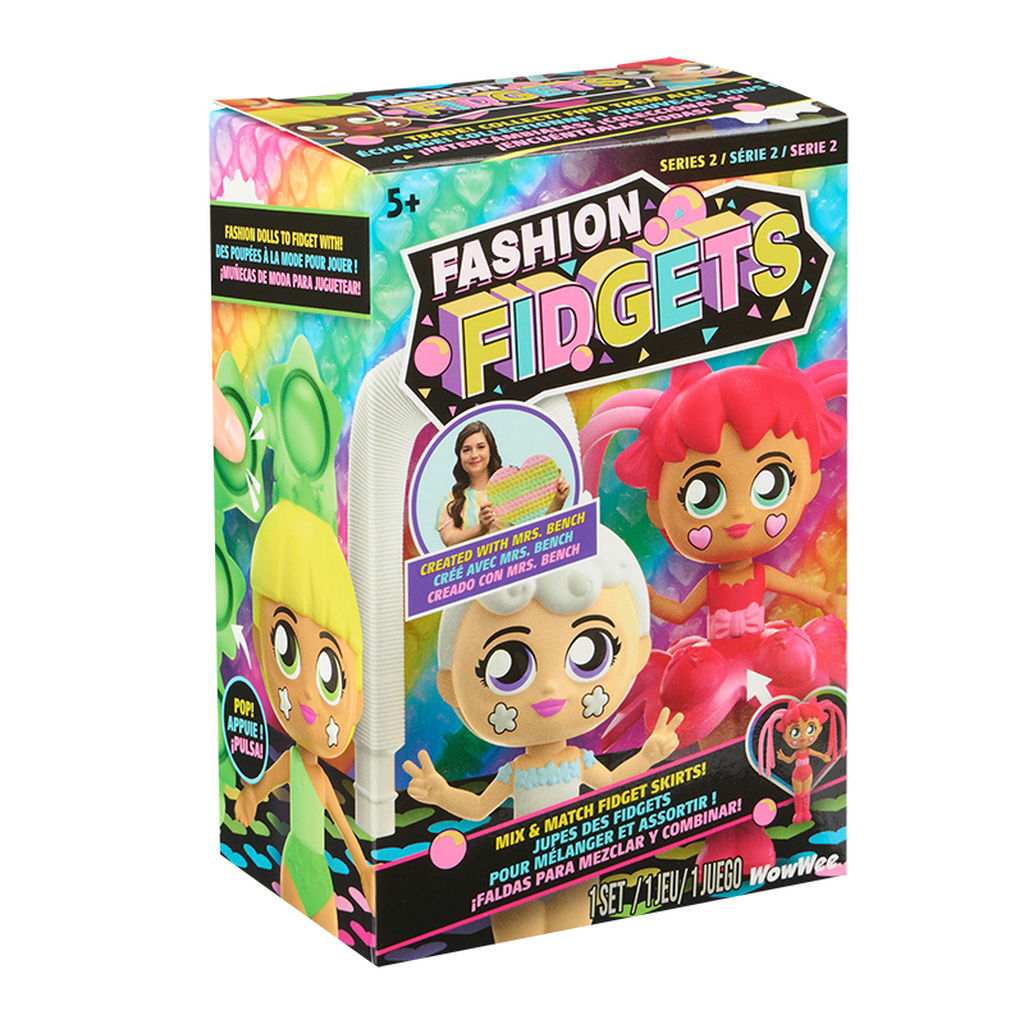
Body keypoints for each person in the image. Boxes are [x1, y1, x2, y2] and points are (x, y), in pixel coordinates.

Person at [405, 526, 682, 941]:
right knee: (518, 928)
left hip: (574, 856)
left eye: (590, 654)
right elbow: (479, 808)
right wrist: (441, 793)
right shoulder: (518, 772)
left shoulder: (576, 762)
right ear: (451, 686)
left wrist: (647, 755)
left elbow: (610, 784)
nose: (552, 689)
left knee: (573, 921)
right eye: (509, 668)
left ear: (637, 652)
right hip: (519, 865)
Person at [233, 499, 375, 932]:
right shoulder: (293, 762)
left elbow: (342, 826)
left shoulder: (317, 777)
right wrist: (250, 797)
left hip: (318, 872)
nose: (311, 695)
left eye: (330, 676)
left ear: (356, 700)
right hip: (295, 859)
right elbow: (263, 787)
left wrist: (364, 868)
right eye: (286, 650)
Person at [437, 420, 569, 547]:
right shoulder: (451, 500)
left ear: (490, 449)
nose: (474, 455)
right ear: (459, 455)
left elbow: (536, 530)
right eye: (466, 450)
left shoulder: (513, 488)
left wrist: (558, 500)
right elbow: (449, 539)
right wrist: (481, 528)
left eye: (481, 447)